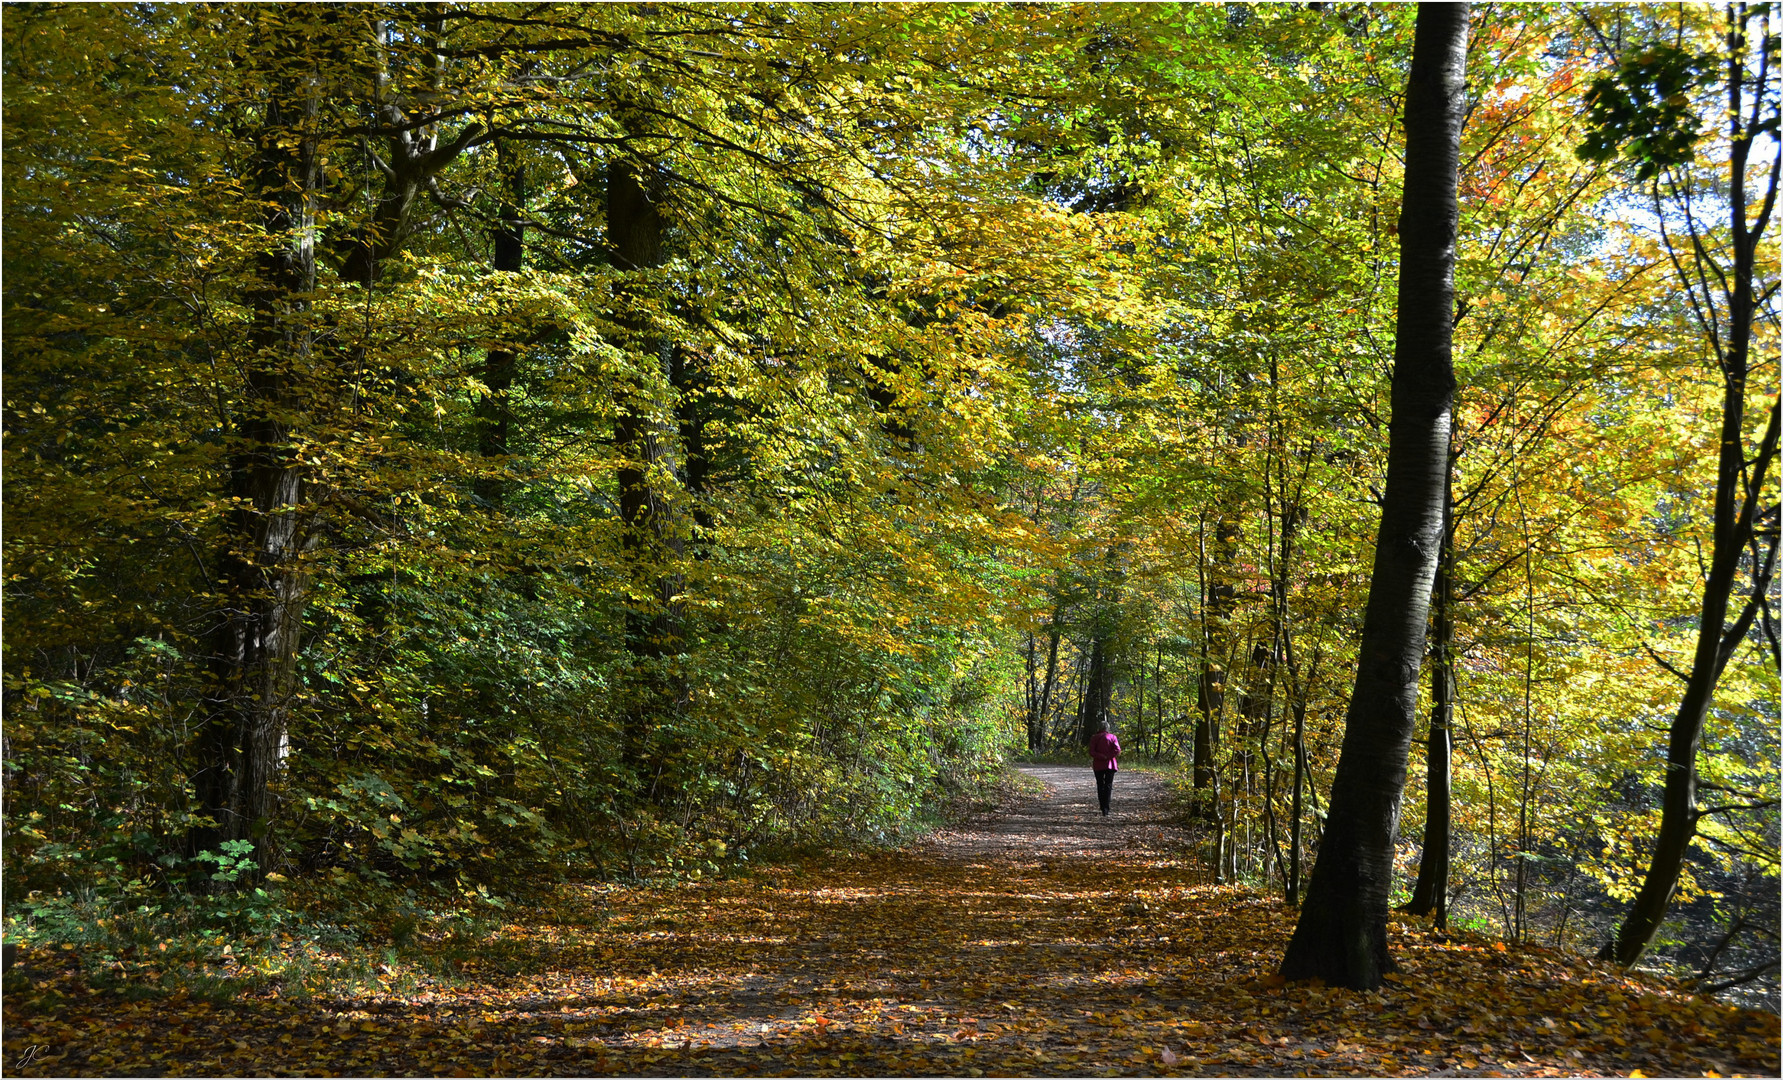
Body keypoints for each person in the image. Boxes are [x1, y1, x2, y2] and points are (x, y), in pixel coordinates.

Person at [1089, 720, 1120, 816]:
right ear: (1107, 728)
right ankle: (1106, 807)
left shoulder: (1094, 738)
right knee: (1108, 785)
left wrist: (1101, 756)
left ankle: (1102, 805)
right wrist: (1108, 756)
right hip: (1110, 764)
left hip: (1098, 765)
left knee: (1100, 785)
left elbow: (1091, 752)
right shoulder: (1112, 737)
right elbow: (1117, 750)